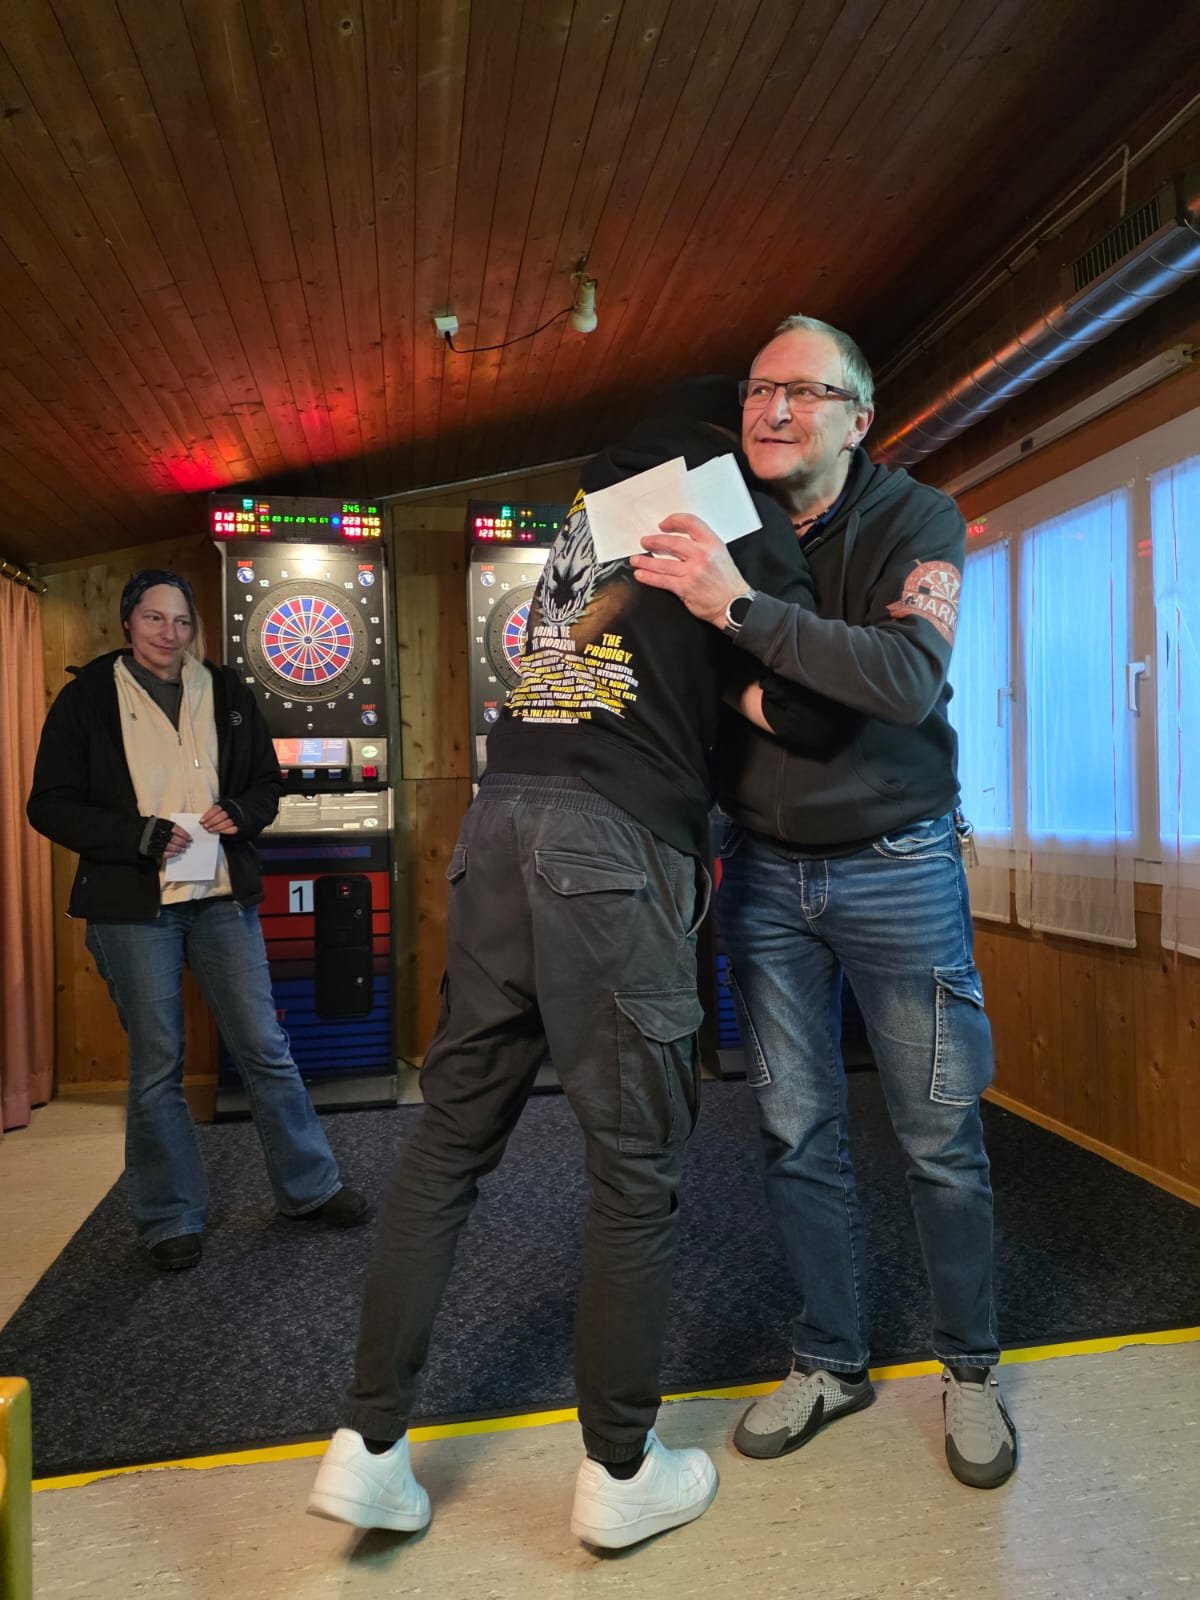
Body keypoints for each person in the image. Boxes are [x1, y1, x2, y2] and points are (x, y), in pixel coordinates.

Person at [307, 389, 823, 1550]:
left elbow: (645, 654)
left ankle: (367, 1446)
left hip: (499, 823)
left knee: (448, 1144)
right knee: (636, 1169)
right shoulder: (728, 491)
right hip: (611, 842)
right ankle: (622, 1469)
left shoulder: (596, 505)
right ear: (738, 429)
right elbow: (800, 683)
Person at [629, 315, 1018, 1492]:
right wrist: (771, 676)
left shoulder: (918, 519)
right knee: (797, 1134)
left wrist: (740, 615)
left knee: (939, 1136)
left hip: (900, 866)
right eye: (759, 389)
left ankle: (969, 1368)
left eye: (802, 392)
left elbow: (902, 677)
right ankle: (831, 1358)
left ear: (858, 418)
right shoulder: (724, 517)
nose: (773, 409)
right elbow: (695, 681)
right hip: (762, 875)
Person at [27, 570, 370, 1272]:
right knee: (158, 1063)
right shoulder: (87, 698)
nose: (170, 633)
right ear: (128, 621)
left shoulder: (228, 692)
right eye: (155, 619)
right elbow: (49, 804)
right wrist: (139, 836)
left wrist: (241, 812)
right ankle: (170, 1218)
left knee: (265, 1046)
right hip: (134, 909)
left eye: (182, 621)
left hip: (221, 900)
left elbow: (266, 786)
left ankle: (310, 1188)